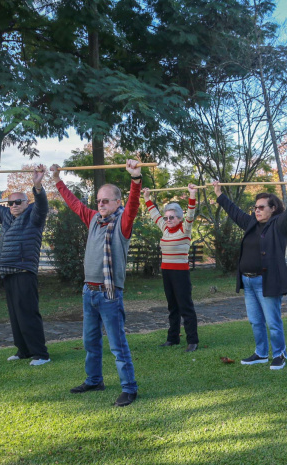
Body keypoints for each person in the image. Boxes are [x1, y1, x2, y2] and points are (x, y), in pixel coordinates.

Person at [53, 160, 143, 407]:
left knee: (117, 345)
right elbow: (74, 203)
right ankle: (94, 380)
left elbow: (133, 205)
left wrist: (135, 178)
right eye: (98, 201)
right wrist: (57, 179)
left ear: (117, 202)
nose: (100, 204)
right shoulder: (93, 219)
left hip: (109, 294)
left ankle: (129, 389)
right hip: (89, 292)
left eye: (105, 201)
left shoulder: (123, 223)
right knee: (90, 342)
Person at [213, 180, 287, 370]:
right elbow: (234, 211)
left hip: (267, 281)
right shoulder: (251, 223)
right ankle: (261, 353)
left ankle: (279, 354)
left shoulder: (279, 225)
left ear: (273, 209)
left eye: (261, 207)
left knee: (273, 322)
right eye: (255, 207)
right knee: (255, 321)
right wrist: (219, 194)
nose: (257, 210)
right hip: (248, 281)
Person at [0, 164, 50, 366]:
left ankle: (41, 354)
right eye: (10, 202)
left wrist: (37, 186)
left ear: (26, 203)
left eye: (18, 202)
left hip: (24, 271)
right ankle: (23, 351)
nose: (14, 205)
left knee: (28, 313)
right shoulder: (5, 215)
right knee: (15, 314)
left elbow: (42, 205)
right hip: (7, 271)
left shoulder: (34, 216)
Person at [143, 183, 199, 352]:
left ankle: (192, 341)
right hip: (166, 272)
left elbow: (191, 213)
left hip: (180, 273)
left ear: (179, 218)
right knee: (172, 307)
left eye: (172, 217)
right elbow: (154, 214)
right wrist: (146, 198)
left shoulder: (185, 229)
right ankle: (172, 338)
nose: (168, 220)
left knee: (185, 307)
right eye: (166, 217)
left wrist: (192, 195)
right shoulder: (165, 229)